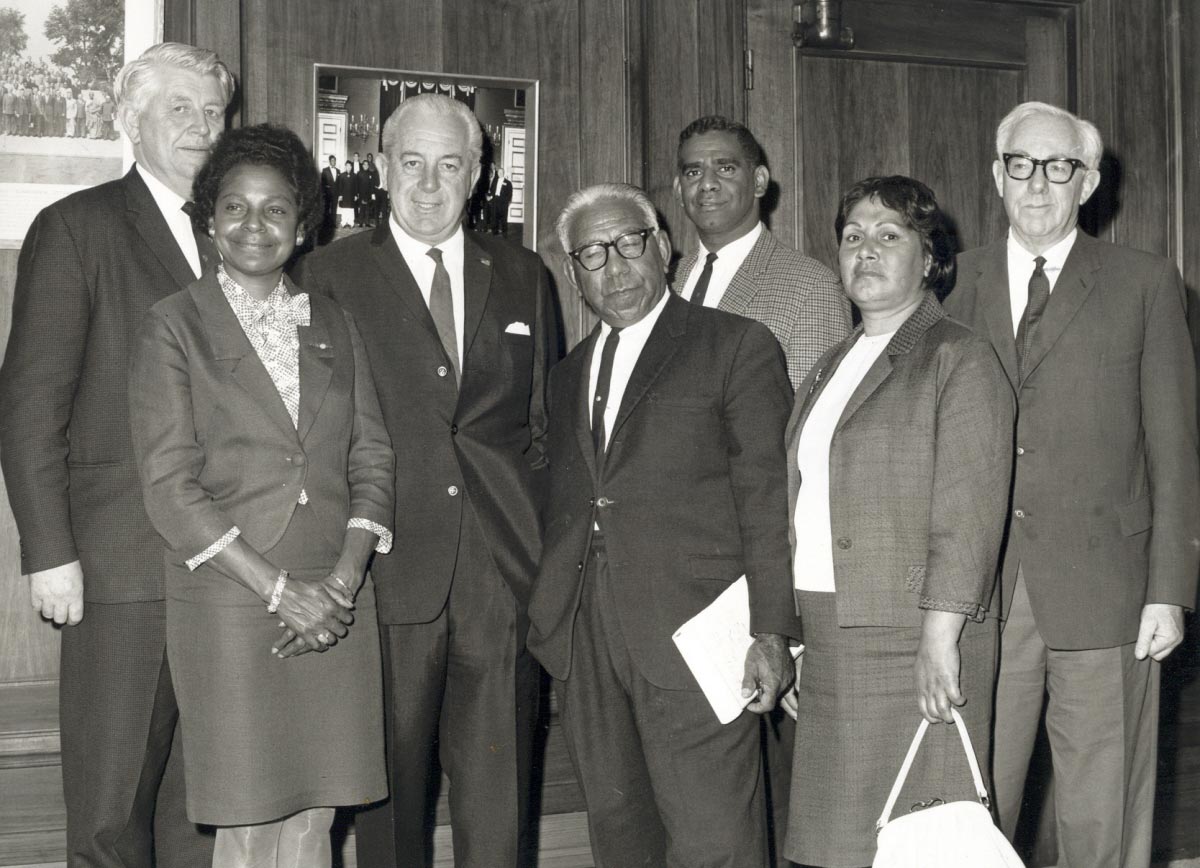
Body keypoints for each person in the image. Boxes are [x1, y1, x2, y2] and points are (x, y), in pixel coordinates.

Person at [295, 92, 558, 868]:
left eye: (451, 164)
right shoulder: (327, 274)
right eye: (412, 163)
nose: (430, 183)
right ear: (381, 167)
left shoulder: (523, 274)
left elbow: (540, 428)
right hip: (384, 570)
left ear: (479, 174)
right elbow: (311, 434)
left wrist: (531, 559)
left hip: (499, 580)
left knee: (498, 801)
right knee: (388, 806)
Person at [128, 123, 393, 868]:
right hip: (233, 597)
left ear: (304, 223)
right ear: (209, 221)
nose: (255, 226)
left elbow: (372, 456)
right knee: (246, 819)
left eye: (275, 209)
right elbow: (169, 488)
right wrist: (281, 591)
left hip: (338, 599)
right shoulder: (172, 326)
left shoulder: (335, 322)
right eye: (235, 209)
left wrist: (340, 584)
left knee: (318, 815)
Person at [943, 101, 1200, 868]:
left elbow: (1175, 449)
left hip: (1110, 588)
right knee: (973, 803)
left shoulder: (1145, 284)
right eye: (1022, 164)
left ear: (1088, 183)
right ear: (997, 175)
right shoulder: (952, 284)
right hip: (981, 592)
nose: (1038, 183)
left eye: (1060, 168)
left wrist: (1170, 590)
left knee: (1103, 816)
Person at [0, 42, 234, 868]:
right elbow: (31, 405)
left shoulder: (243, 235)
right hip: (118, 569)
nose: (202, 128)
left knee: (198, 808)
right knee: (110, 814)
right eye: (180, 110)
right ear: (130, 123)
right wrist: (51, 554)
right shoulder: (78, 228)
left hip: (232, 572)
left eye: (212, 112)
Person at [528, 182, 797, 867]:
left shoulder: (734, 346)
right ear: (573, 273)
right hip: (588, 639)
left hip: (699, 634)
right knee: (621, 834)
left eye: (629, 242)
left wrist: (771, 631)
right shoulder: (564, 377)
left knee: (715, 840)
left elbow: (768, 499)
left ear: (664, 246)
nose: (615, 266)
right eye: (592, 253)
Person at [781, 175, 1013, 868]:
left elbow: (968, 515)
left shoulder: (959, 356)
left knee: (921, 844)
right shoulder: (831, 363)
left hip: (916, 637)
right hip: (830, 633)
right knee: (835, 847)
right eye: (853, 237)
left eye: (889, 236)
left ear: (930, 257)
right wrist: (796, 637)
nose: (866, 251)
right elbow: (801, 506)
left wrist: (940, 639)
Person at [673, 115, 850, 390]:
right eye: (693, 172)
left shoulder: (811, 286)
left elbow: (815, 417)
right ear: (678, 191)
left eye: (726, 169)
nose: (707, 183)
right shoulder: (666, 282)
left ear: (759, 181)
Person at [487, 166, 513, 235]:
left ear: (503, 173)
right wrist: (490, 197)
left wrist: (507, 202)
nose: (500, 173)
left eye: (501, 172)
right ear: (497, 173)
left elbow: (510, 194)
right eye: (499, 172)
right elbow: (492, 190)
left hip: (503, 202)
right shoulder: (495, 182)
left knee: (503, 218)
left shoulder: (508, 183)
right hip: (495, 200)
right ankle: (494, 232)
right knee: (494, 217)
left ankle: (504, 233)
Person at [335, 158, 356, 228]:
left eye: (350, 166)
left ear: (351, 167)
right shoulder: (341, 175)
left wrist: (356, 195)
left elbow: (356, 186)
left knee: (351, 209)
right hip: (344, 195)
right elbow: (340, 186)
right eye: (347, 166)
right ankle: (344, 222)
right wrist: (340, 195)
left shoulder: (354, 176)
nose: (348, 167)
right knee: (344, 209)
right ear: (345, 166)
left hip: (351, 195)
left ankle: (351, 222)